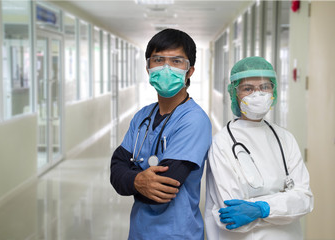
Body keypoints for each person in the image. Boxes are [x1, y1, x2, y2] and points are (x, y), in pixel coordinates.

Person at [110, 28, 212, 240]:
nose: (166, 68)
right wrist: (138, 180)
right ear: (148, 67)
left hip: (177, 233)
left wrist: (129, 178)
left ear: (190, 71)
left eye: (176, 61)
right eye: (158, 60)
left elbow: (163, 189)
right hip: (139, 231)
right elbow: (115, 170)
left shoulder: (194, 120)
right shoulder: (142, 116)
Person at [205, 56, 314, 240]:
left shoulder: (285, 138)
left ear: (274, 91)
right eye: (248, 88)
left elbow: (305, 200)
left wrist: (261, 209)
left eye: (264, 87)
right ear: (234, 93)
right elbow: (231, 216)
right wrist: (282, 205)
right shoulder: (222, 143)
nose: (258, 94)